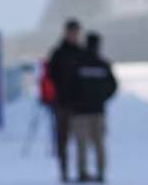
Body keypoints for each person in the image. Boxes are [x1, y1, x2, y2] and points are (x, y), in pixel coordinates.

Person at [70, 32, 119, 183]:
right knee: (99, 144)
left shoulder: (78, 63)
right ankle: (101, 172)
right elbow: (113, 86)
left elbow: (70, 87)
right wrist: (101, 99)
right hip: (98, 111)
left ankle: (82, 172)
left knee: (81, 144)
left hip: (80, 112)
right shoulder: (103, 64)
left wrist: (76, 101)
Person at [47, 19, 86, 182]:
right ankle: (64, 172)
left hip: (79, 105)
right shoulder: (58, 53)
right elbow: (51, 76)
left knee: (81, 140)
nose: (74, 35)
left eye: (76, 32)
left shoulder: (82, 52)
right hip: (62, 104)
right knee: (63, 140)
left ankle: (81, 171)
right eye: (72, 32)